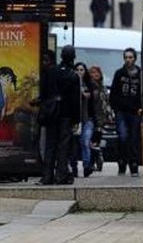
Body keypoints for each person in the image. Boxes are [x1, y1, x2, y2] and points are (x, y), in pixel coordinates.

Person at [38, 46, 80, 185]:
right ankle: (61, 175)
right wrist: (76, 119)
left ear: (61, 56)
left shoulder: (51, 71)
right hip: (66, 114)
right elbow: (75, 101)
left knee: (50, 145)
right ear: (73, 57)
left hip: (51, 113)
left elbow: (43, 92)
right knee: (63, 146)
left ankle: (47, 176)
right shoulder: (73, 75)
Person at [110, 47, 142, 176]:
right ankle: (122, 162)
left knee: (134, 138)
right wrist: (115, 108)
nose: (128, 60)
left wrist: (141, 107)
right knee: (123, 137)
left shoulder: (140, 74)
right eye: (126, 57)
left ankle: (134, 165)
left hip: (135, 111)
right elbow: (113, 92)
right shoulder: (119, 73)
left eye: (130, 57)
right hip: (121, 111)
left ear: (135, 58)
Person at [72, 62, 105, 177]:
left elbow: (96, 104)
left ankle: (87, 166)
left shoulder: (90, 85)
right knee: (74, 145)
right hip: (74, 119)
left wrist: (98, 123)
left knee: (85, 142)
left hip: (88, 119)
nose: (80, 72)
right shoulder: (71, 83)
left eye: (82, 70)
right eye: (77, 70)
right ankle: (74, 167)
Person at [88, 65, 112, 172]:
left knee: (96, 140)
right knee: (92, 141)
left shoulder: (102, 87)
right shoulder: (91, 87)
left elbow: (106, 103)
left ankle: (95, 160)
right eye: (92, 72)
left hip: (102, 118)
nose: (96, 74)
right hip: (93, 117)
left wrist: (109, 114)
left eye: (97, 72)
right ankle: (93, 160)